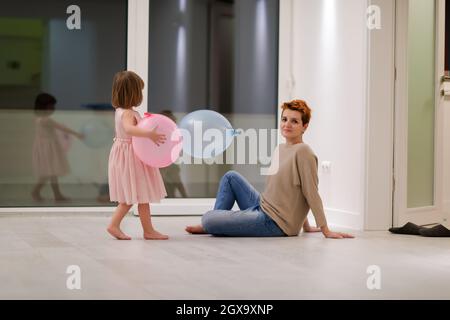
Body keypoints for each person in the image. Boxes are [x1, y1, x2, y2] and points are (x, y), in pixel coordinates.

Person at [186, 99, 354, 239]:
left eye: (294, 121)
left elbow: (310, 192)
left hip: (275, 223)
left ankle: (212, 225)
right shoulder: (280, 148)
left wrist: (325, 229)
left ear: (305, 126)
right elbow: (294, 195)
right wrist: (306, 227)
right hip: (262, 206)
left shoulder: (304, 152)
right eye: (284, 119)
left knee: (208, 219)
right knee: (231, 177)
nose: (287, 124)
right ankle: (214, 225)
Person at [107, 70, 168, 240]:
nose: (141, 94)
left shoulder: (120, 110)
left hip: (126, 154)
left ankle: (148, 230)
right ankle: (114, 225)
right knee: (133, 196)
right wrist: (149, 134)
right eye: (139, 91)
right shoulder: (127, 113)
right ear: (133, 93)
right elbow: (129, 129)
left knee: (141, 196)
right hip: (131, 157)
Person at [31, 93, 84, 202]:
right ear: (44, 107)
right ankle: (40, 192)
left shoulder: (39, 119)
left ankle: (55, 194)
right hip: (48, 148)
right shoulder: (45, 120)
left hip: (46, 147)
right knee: (50, 172)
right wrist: (77, 134)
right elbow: (61, 128)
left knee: (50, 173)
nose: (53, 109)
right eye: (51, 107)